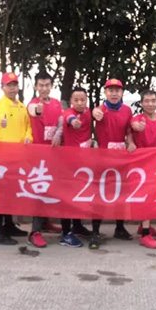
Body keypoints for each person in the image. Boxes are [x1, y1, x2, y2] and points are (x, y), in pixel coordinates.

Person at [90, 78, 136, 249]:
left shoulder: (127, 110)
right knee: (99, 195)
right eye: (111, 90)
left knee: (120, 193)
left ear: (122, 93)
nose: (114, 94)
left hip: (121, 158)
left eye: (117, 90)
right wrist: (94, 113)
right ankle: (95, 231)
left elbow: (129, 131)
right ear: (105, 92)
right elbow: (94, 114)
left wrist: (131, 142)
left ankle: (120, 227)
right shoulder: (100, 109)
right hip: (102, 159)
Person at [0, 71, 32, 244]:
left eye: (14, 85)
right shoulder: (2, 104)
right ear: (2, 87)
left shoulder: (22, 106)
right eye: (9, 85)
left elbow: (28, 126)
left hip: (18, 156)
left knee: (11, 193)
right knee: (2, 194)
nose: (12, 88)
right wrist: (2, 122)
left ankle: (9, 224)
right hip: (3, 156)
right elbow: (1, 120)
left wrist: (29, 137)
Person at [25, 71, 64, 247]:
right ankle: (35, 231)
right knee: (38, 190)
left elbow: (61, 122)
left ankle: (45, 222)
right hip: (37, 156)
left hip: (53, 154)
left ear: (51, 86)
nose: (44, 88)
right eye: (41, 85)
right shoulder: (33, 103)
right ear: (35, 87)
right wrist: (38, 110)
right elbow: (34, 111)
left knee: (49, 189)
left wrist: (58, 134)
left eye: (47, 85)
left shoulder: (56, 103)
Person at [130, 89, 156, 249]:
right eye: (146, 101)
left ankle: (144, 225)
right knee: (146, 197)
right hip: (141, 165)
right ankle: (145, 234)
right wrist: (131, 140)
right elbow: (131, 129)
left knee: (154, 195)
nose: (150, 104)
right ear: (141, 103)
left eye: (153, 101)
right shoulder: (137, 119)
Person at [57, 86, 95, 247]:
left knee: (78, 196)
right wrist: (73, 121)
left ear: (86, 101)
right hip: (69, 165)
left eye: (82, 100)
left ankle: (77, 226)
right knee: (67, 198)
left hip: (83, 164)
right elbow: (69, 119)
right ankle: (66, 233)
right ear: (71, 101)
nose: (79, 103)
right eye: (76, 100)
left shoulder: (89, 113)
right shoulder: (69, 113)